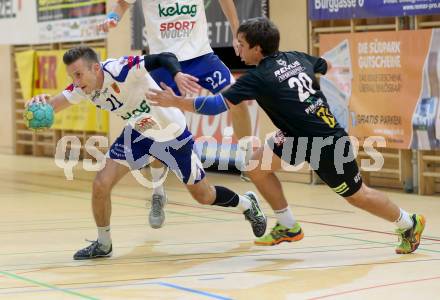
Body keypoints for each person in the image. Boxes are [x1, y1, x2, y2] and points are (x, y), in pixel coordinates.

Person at [148, 17, 426, 254]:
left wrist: (176, 102)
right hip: (296, 136)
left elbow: (216, 105)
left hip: (326, 142)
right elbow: (323, 65)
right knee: (256, 167)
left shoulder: (257, 79)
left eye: (242, 44)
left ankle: (408, 223)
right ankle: (288, 225)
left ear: (257, 49)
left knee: (357, 196)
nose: (238, 49)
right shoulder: (297, 57)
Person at [26, 46, 267, 260]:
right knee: (101, 184)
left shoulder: (121, 69)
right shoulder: (84, 88)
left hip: (173, 135)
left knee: (203, 195)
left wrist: (177, 74)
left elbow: (164, 57)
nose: (76, 81)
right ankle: (103, 243)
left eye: (78, 74)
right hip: (139, 133)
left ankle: (247, 205)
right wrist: (38, 105)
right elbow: (53, 105)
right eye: (72, 77)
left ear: (95, 68)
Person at [98, 0, 254, 229]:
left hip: (202, 57)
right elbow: (123, 4)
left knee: (237, 99)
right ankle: (158, 192)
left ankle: (248, 154)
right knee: (155, 127)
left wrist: (236, 32)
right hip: (164, 62)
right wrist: (113, 17)